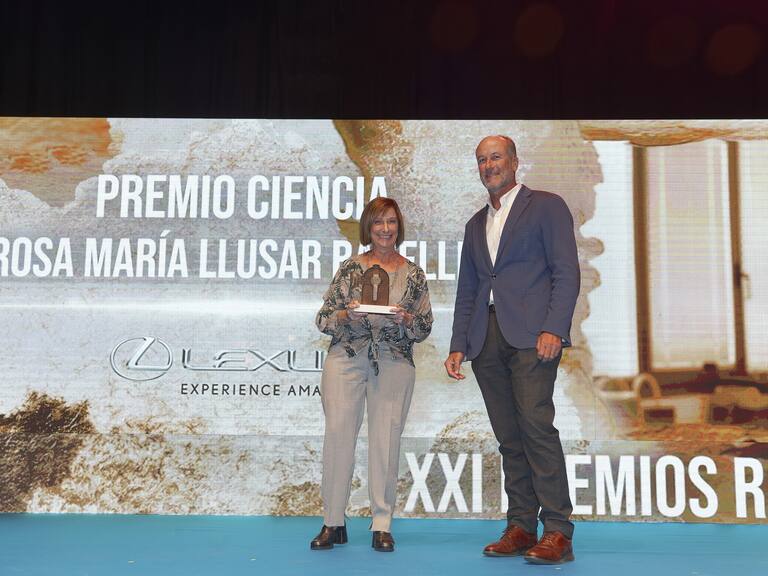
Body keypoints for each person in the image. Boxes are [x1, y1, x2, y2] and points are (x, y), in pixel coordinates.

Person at [444, 135, 580, 564]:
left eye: (496, 157)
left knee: (536, 429)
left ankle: (558, 531)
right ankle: (521, 526)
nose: (489, 165)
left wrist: (554, 327)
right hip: (486, 340)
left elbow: (566, 272)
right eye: (482, 160)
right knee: (509, 437)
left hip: (533, 338)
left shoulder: (547, 206)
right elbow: (468, 290)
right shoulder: (474, 225)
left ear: (515, 161)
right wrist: (458, 344)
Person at [312, 197, 433, 552]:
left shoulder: (414, 274)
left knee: (386, 441)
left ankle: (382, 524)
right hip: (346, 360)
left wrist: (406, 319)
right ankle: (333, 522)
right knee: (338, 437)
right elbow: (323, 319)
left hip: (394, 362)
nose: (385, 229)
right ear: (368, 227)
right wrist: (345, 316)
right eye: (378, 222)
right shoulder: (350, 268)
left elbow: (424, 327)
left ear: (399, 227)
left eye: (391, 222)